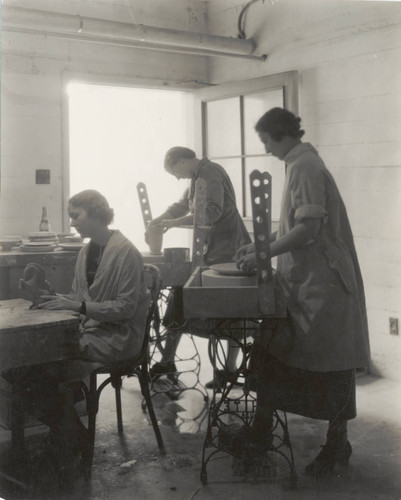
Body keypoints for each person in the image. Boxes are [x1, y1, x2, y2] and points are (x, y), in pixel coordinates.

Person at [232, 108, 370, 477]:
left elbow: (308, 228)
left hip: (323, 286)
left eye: (265, 141)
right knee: (275, 353)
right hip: (306, 282)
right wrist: (258, 246)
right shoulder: (300, 163)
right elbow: (294, 225)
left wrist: (265, 252)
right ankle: (261, 431)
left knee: (331, 366)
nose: (266, 149)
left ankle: (337, 443)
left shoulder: (305, 166)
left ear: (279, 135)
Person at [8, 190, 150, 466]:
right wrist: (50, 296)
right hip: (91, 331)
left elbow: (126, 309)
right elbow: (78, 296)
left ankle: (68, 436)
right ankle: (71, 434)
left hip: (118, 337)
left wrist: (77, 307)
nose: (72, 223)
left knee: (37, 368)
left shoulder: (126, 252)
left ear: (97, 214)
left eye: (76, 216)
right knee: (25, 367)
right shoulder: (87, 250)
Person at [147, 147, 251, 387]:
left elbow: (212, 212)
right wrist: (161, 219)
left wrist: (173, 223)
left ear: (183, 160)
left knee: (229, 307)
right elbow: (183, 204)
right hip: (211, 249)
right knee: (179, 297)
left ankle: (229, 368)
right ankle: (168, 359)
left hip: (229, 248)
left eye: (174, 171)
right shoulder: (197, 177)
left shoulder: (211, 172)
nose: (176, 177)